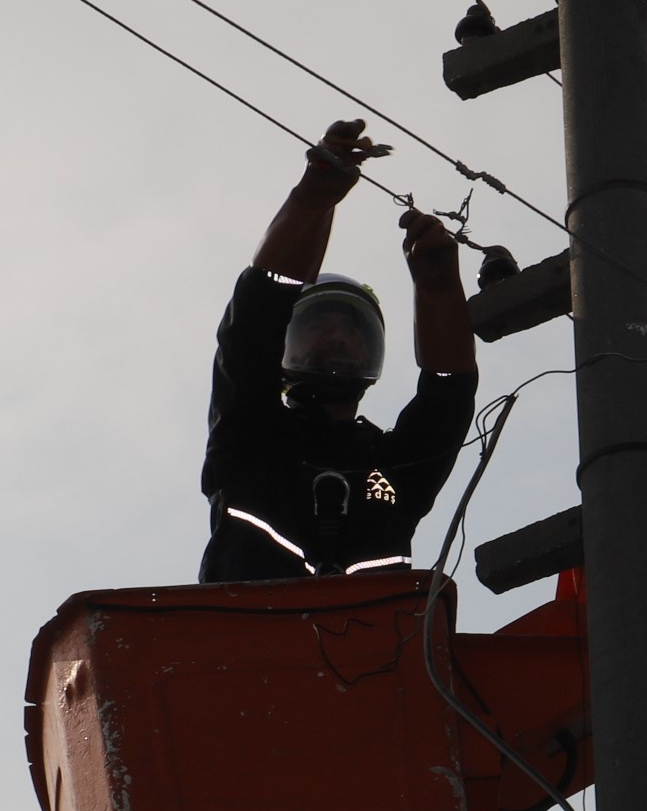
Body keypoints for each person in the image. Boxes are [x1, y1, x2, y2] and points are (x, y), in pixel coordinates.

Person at [199, 119, 478, 582]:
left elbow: (447, 397)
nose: (337, 339)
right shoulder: (249, 438)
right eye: (318, 327)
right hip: (250, 646)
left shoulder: (394, 469)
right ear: (286, 347)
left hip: (373, 654)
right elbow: (253, 320)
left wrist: (440, 290)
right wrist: (313, 199)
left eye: (353, 330)